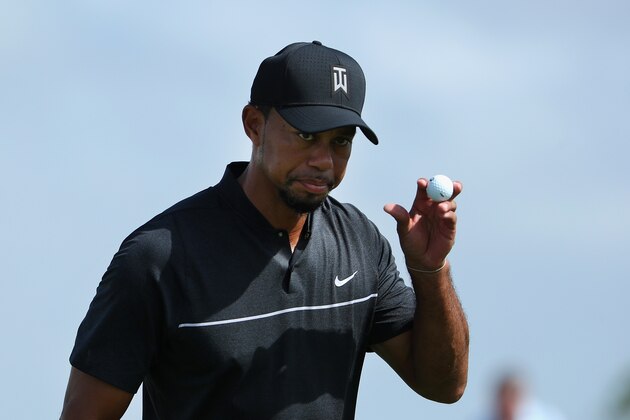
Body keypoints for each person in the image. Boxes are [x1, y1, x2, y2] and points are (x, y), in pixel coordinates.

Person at [61, 40, 469, 419]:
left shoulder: (360, 243)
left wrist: (431, 271)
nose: (324, 161)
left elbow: (444, 385)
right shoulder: (158, 259)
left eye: (341, 141)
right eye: (306, 135)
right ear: (254, 125)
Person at [481, 372, 566, 420]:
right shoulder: (482, 417)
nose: (507, 406)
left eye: (512, 399)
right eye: (504, 400)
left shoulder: (547, 416)